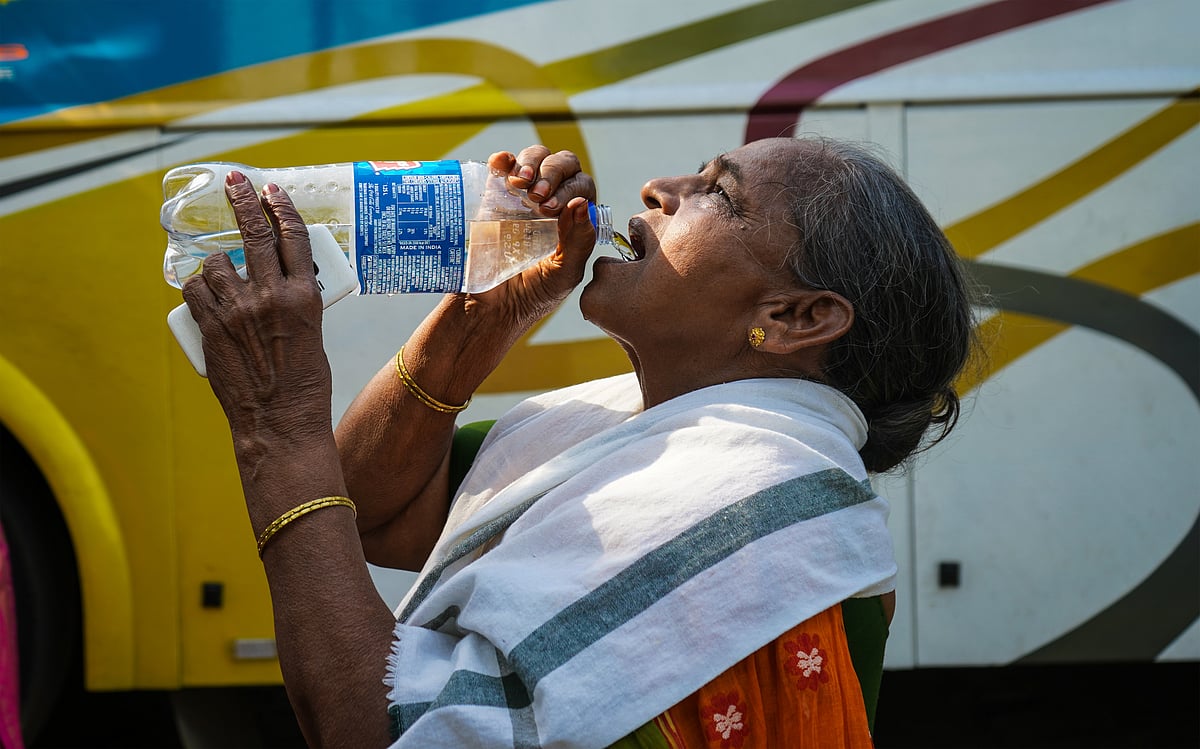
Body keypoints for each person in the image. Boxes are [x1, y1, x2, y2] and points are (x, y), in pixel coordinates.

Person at [181, 136, 977, 748]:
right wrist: (481, 318)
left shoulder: (756, 500)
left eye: (718, 195)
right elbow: (372, 511)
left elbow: (383, 729)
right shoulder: (637, 427)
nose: (659, 190)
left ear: (801, 317)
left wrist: (278, 423)